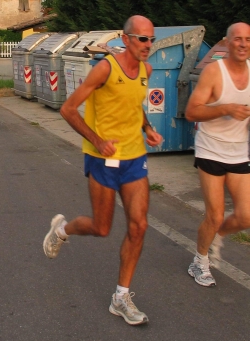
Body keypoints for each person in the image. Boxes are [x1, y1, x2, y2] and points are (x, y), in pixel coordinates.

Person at [42, 15, 162, 326]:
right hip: (102, 157)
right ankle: (61, 231)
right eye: (142, 39)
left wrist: (147, 128)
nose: (148, 45)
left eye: (151, 39)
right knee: (102, 227)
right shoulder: (105, 69)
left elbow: (135, 106)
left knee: (139, 226)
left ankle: (121, 297)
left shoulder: (147, 70)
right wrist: (97, 140)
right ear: (126, 39)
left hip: (134, 157)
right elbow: (68, 109)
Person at [185, 22, 250, 287]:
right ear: (227, 42)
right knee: (215, 214)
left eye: (248, 39)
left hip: (238, 152)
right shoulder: (214, 72)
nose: (243, 44)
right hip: (211, 148)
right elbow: (191, 112)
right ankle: (199, 261)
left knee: (246, 216)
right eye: (238, 39)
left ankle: (214, 235)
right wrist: (225, 109)